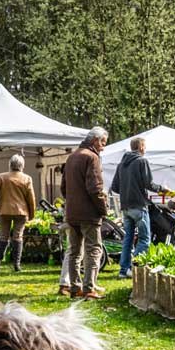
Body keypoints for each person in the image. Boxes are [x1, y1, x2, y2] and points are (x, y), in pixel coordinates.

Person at [60, 127, 109, 299]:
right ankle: (89, 288)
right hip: (89, 214)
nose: (103, 147)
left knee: (74, 252)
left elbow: (63, 188)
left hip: (72, 213)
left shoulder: (71, 157)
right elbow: (95, 188)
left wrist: (73, 202)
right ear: (95, 140)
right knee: (94, 250)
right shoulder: (92, 157)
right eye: (103, 142)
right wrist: (103, 209)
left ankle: (75, 288)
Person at [110, 137, 165, 279]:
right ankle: (134, 267)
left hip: (126, 206)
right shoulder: (142, 161)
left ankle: (123, 271)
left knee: (127, 239)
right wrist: (163, 190)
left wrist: (128, 189)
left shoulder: (121, 164)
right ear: (141, 147)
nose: (145, 149)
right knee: (144, 239)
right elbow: (149, 184)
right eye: (145, 146)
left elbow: (115, 187)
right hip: (139, 205)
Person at [0, 153, 38, 274]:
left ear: (10, 164)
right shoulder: (27, 178)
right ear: (22, 165)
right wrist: (32, 214)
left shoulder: (2, 177)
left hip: (5, 211)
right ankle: (16, 264)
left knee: (3, 237)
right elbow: (31, 198)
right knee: (17, 237)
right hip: (21, 212)